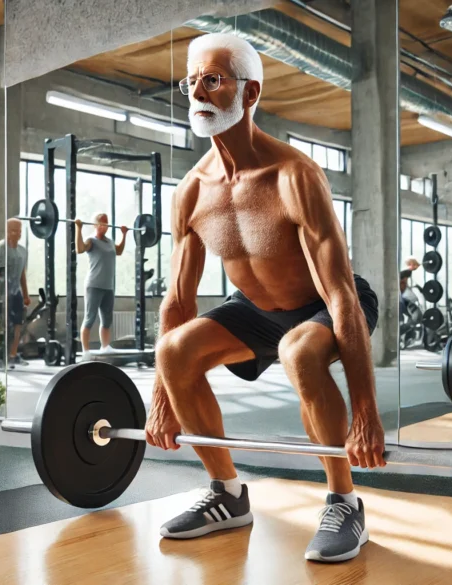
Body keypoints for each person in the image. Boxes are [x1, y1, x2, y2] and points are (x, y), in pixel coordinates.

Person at [145, 33, 382, 563]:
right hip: (256, 311)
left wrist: (365, 409)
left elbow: (339, 292)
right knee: (174, 350)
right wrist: (161, 397)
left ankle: (345, 501)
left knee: (298, 351)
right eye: (191, 81)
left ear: (249, 94)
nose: (198, 92)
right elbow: (178, 301)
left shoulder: (295, 176)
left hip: (326, 302)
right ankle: (227, 495)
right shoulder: (192, 191)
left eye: (213, 79)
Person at [74, 213, 127, 359]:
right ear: (95, 225)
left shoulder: (109, 242)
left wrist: (124, 235)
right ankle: (86, 350)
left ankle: (105, 347)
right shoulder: (91, 240)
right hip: (94, 285)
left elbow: (120, 251)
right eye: (102, 223)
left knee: (106, 319)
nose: (105, 226)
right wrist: (78, 229)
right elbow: (79, 249)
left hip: (108, 286)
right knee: (90, 318)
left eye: (107, 223)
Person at [0, 219, 30, 366]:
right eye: (13, 230)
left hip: (15, 292)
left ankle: (13, 353)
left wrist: (26, 295)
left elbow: (22, 274)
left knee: (18, 323)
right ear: (6, 231)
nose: (17, 233)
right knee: (3, 325)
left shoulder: (22, 251)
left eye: (19, 231)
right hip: (0, 293)